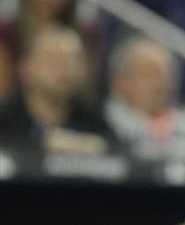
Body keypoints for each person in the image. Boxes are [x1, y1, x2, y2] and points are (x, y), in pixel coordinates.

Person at [105, 37, 185, 163]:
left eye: (163, 76)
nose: (158, 84)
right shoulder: (103, 124)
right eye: (147, 74)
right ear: (119, 81)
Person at [0, 26, 115, 158]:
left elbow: (124, 151)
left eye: (73, 61)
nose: (64, 70)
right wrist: (39, 145)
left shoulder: (94, 118)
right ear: (25, 68)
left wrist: (94, 145)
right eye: (53, 60)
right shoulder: (4, 117)